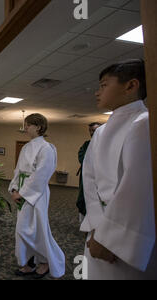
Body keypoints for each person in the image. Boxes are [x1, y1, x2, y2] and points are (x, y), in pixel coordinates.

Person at [81, 59, 157, 280]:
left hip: (124, 234)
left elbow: (138, 190)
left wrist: (110, 238)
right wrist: (96, 226)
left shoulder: (144, 123)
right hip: (100, 226)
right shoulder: (102, 131)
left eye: (104, 85)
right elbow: (89, 179)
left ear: (131, 85)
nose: (97, 92)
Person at [8, 113, 65, 279]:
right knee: (23, 229)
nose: (25, 128)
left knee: (35, 229)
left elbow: (41, 175)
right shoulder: (26, 147)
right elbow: (18, 170)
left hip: (36, 194)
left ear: (38, 127)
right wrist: (13, 188)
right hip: (22, 191)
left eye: (28, 125)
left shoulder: (46, 148)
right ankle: (28, 262)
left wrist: (23, 193)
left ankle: (47, 260)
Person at [76, 122, 102, 223]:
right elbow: (82, 157)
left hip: (100, 177)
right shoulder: (87, 144)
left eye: (94, 130)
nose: (92, 133)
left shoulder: (106, 144)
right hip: (86, 176)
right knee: (84, 198)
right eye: (90, 131)